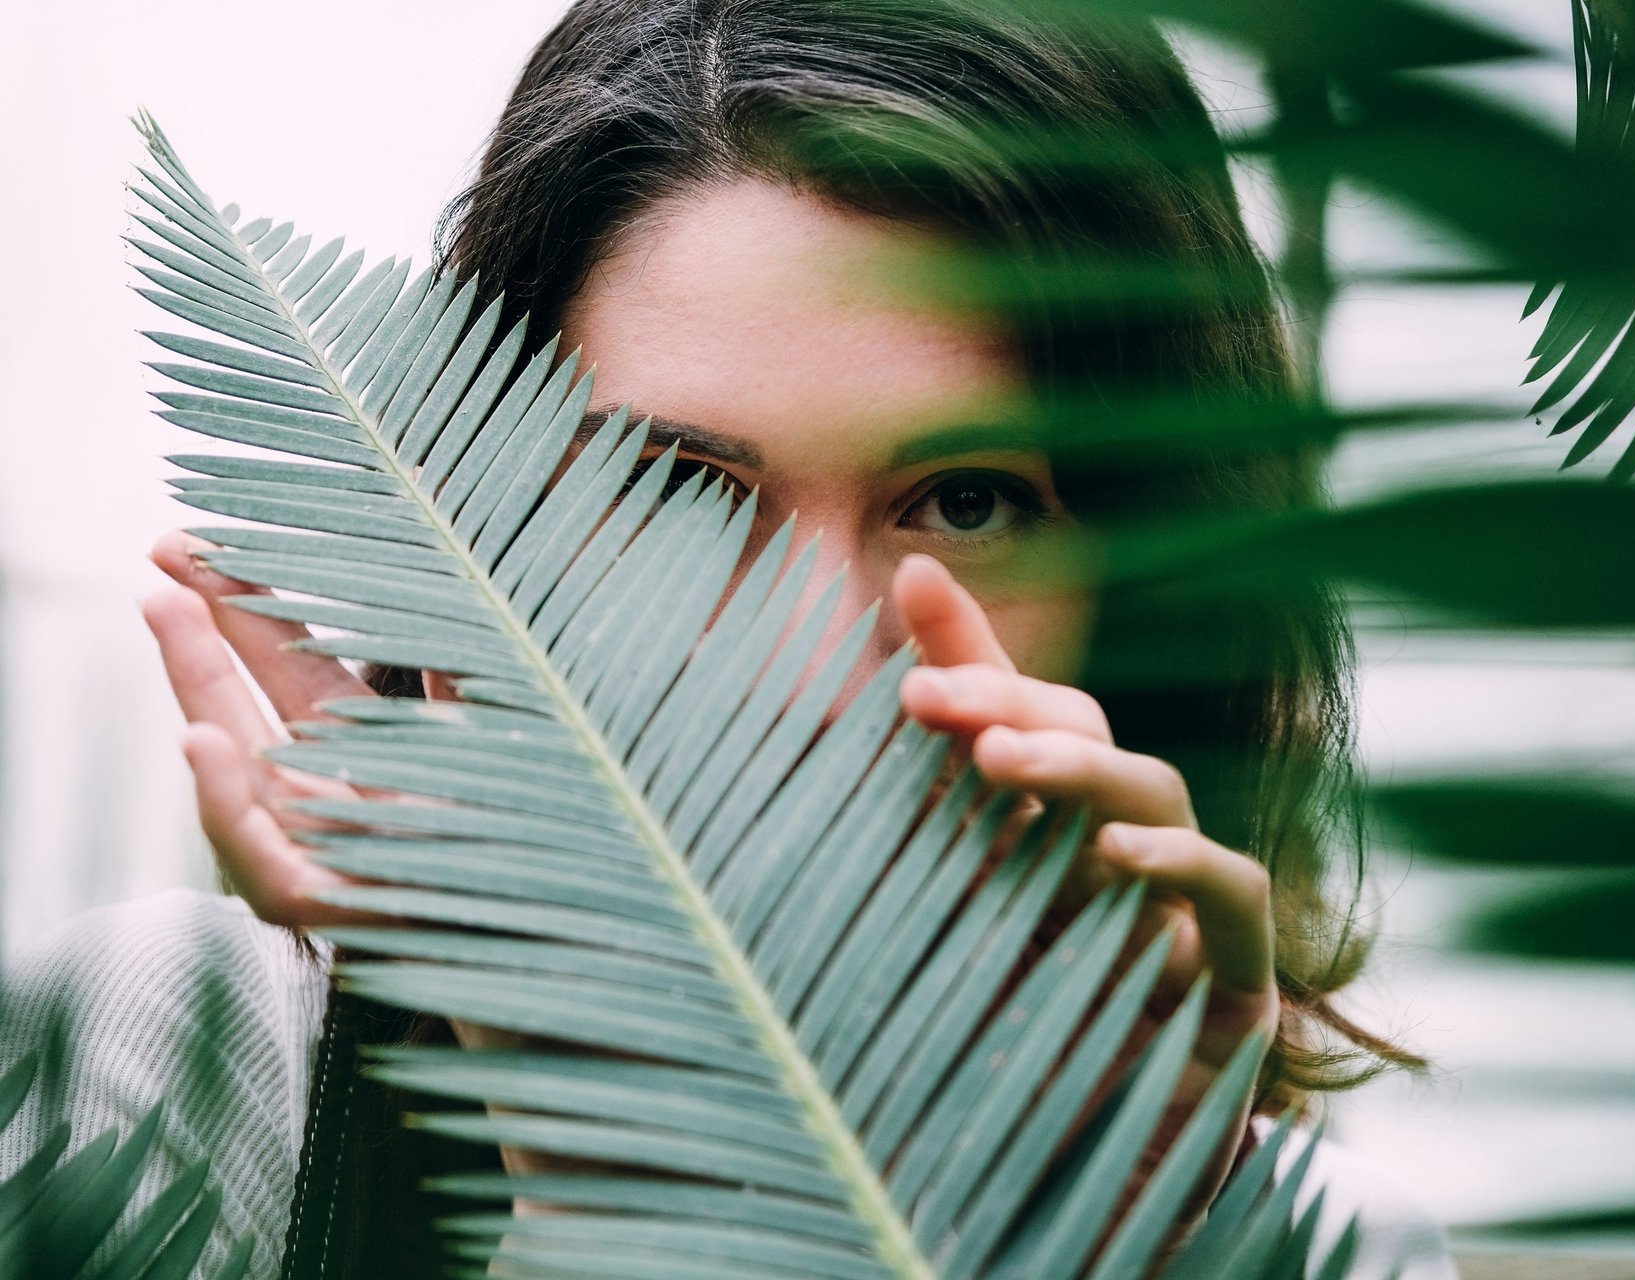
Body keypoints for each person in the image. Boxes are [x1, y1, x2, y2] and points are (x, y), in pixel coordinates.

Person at [1, 1, 1455, 1276]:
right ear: (471, 530)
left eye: (965, 501)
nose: (812, 679)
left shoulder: (1306, 1250)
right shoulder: (150, 1078)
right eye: (673, 493)